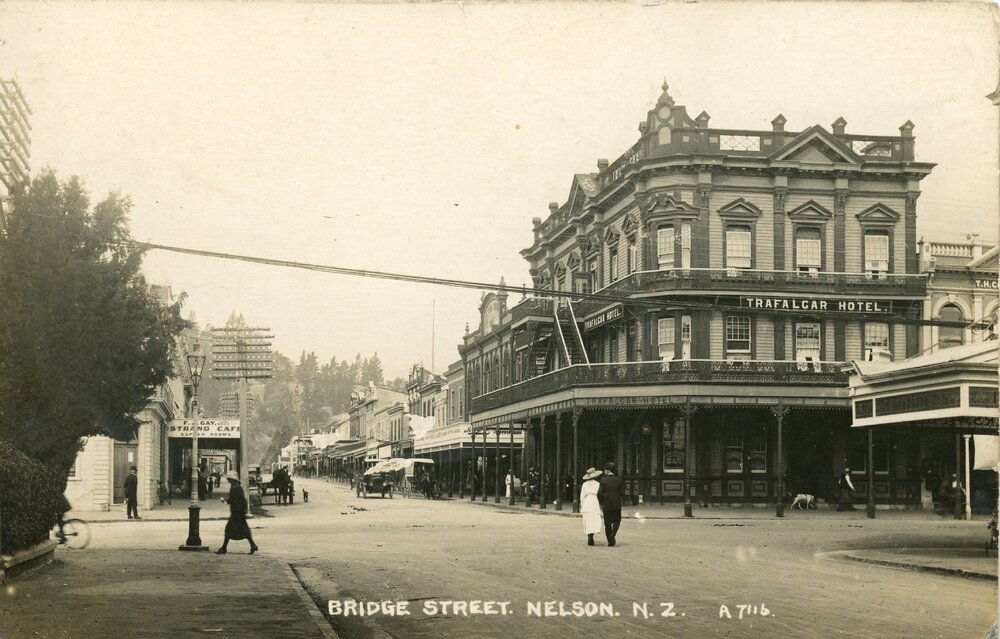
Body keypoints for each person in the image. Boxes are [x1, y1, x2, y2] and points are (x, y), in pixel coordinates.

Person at [216, 470, 258, 555]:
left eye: (229, 479)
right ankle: (253, 545)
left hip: (237, 512)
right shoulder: (235, 486)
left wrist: (226, 501)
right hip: (238, 512)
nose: (228, 480)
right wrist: (226, 501)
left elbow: (235, 500)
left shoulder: (236, 488)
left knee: (229, 529)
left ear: (232, 479)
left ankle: (224, 548)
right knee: (244, 530)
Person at [598, 462, 624, 547]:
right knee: (617, 521)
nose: (604, 471)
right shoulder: (619, 479)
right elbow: (622, 492)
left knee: (607, 523)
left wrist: (601, 502)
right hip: (616, 504)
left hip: (606, 505)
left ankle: (610, 540)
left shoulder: (603, 480)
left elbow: (600, 493)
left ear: (608, 470)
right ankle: (613, 534)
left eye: (605, 469)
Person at [580, 468, 605, 546]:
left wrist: (582, 505)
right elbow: (600, 495)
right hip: (594, 501)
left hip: (587, 501)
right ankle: (592, 535)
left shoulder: (584, 484)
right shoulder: (598, 484)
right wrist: (600, 504)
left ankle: (589, 535)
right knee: (594, 519)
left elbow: (582, 496)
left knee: (588, 519)